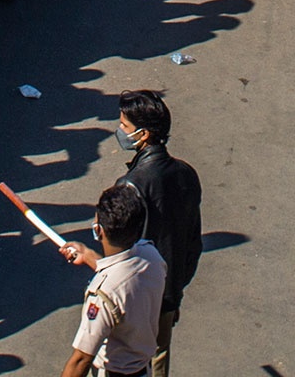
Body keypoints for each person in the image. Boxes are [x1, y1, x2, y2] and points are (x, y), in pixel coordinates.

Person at [108, 92, 198, 371]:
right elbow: (192, 242)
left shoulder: (130, 186)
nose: (120, 130)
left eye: (124, 125)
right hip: (168, 291)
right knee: (158, 358)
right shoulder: (186, 174)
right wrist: (175, 291)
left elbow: (118, 251)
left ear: (143, 134)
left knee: (126, 362)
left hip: (136, 295)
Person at [53, 184, 165, 377]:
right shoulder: (152, 256)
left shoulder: (102, 295)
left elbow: (81, 359)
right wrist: (88, 255)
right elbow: (123, 275)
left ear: (99, 231)